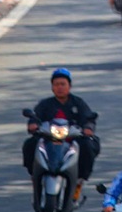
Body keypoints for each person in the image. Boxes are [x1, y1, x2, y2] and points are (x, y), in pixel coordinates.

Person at [22, 68, 100, 198]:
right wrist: (33, 124)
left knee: (88, 146)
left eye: (63, 84)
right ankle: (34, 176)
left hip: (72, 139)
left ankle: (79, 181)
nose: (60, 87)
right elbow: (35, 117)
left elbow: (88, 118)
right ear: (52, 87)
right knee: (30, 144)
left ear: (69, 86)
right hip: (49, 139)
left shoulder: (78, 103)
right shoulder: (45, 104)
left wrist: (88, 128)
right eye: (56, 84)